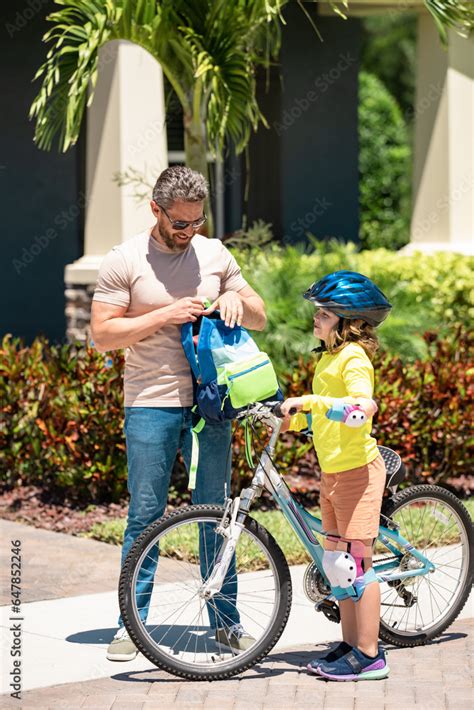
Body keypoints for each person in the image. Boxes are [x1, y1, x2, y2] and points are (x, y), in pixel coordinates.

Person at [91, 166, 266, 661]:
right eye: (180, 224)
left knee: (218, 512)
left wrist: (235, 297)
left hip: (214, 399)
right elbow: (102, 335)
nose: (189, 232)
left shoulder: (214, 253)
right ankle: (131, 623)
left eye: (197, 221)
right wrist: (163, 316)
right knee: (145, 514)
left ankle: (226, 625)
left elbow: (260, 313)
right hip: (150, 400)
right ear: (156, 211)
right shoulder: (124, 259)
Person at [279, 270, 392, 682]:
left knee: (358, 565)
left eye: (325, 312)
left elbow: (363, 407)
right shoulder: (327, 358)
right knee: (336, 564)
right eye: (318, 310)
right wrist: (283, 418)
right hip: (332, 474)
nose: (317, 316)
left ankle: (371, 655)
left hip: (359, 473)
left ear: (349, 322)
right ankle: (350, 646)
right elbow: (324, 417)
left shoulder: (353, 358)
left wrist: (309, 401)